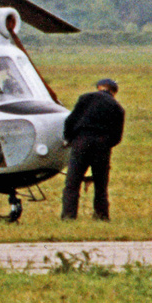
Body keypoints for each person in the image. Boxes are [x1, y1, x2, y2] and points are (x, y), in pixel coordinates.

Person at [61, 78, 125, 221]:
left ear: (99, 87)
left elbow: (70, 121)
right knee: (101, 184)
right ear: (114, 92)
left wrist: (70, 139)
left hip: (81, 142)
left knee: (72, 182)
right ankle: (101, 216)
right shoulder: (117, 107)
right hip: (102, 145)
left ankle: (68, 216)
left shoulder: (85, 98)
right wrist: (107, 144)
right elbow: (117, 136)